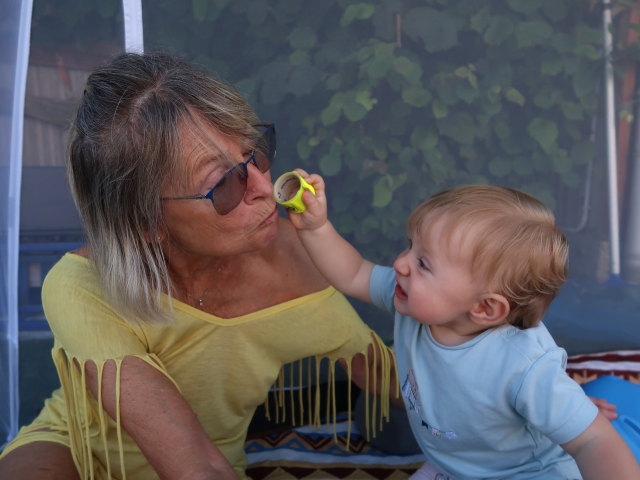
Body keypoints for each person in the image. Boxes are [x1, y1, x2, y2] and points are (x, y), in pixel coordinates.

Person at [0, 52, 395, 480]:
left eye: (255, 153)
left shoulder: (297, 262)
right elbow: (193, 465)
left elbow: (383, 376)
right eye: (224, 184)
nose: (265, 188)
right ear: (146, 223)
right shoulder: (81, 286)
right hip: (75, 449)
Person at [288, 173, 640, 480]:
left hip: (529, 473)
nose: (400, 263)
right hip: (458, 467)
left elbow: (594, 440)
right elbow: (353, 273)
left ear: (484, 307)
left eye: (423, 263)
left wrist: (569, 415)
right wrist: (318, 228)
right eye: (410, 246)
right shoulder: (412, 302)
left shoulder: (524, 368)